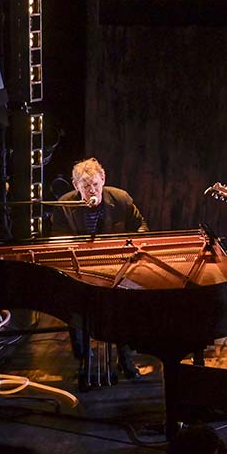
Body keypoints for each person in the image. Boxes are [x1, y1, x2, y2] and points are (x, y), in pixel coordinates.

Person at [50, 157, 147, 380]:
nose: (91, 190)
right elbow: (58, 239)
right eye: (85, 186)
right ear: (76, 186)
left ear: (103, 180)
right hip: (80, 268)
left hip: (117, 266)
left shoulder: (121, 199)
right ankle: (84, 360)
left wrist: (132, 247)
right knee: (75, 306)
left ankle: (125, 357)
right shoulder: (65, 204)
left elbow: (141, 226)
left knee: (123, 305)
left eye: (95, 184)